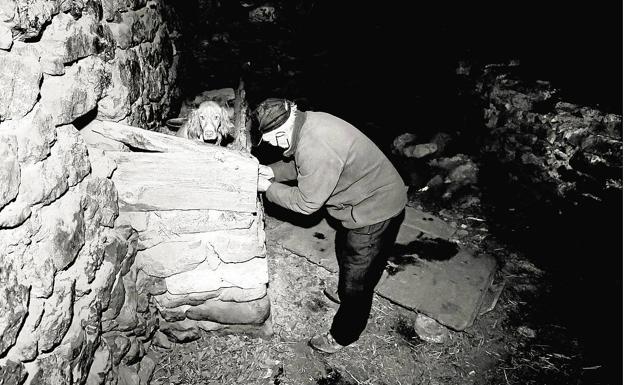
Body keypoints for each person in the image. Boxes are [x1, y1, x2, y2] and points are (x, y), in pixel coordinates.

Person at [251, 98, 407, 354]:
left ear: (280, 132)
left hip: (375, 209)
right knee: (345, 249)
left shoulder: (316, 145)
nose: (271, 146)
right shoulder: (307, 123)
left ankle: (344, 334)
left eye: (270, 141)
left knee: (357, 280)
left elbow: (306, 203)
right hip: (359, 200)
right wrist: (271, 171)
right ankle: (349, 294)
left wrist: (269, 188)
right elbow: (300, 163)